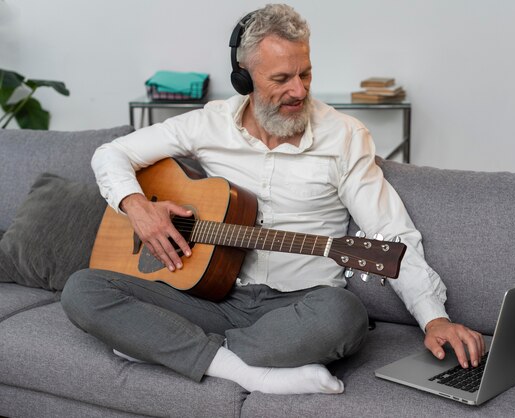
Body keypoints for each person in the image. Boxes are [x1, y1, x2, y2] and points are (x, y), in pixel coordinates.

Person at [61, 4, 484, 395]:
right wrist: (138, 207)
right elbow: (111, 153)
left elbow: (391, 233)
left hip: (300, 308)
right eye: (280, 79)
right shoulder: (209, 125)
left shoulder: (345, 137)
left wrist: (435, 318)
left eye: (306, 74)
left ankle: (164, 344)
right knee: (83, 289)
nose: (298, 90)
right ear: (244, 77)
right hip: (213, 300)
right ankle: (249, 372)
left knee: (344, 316)